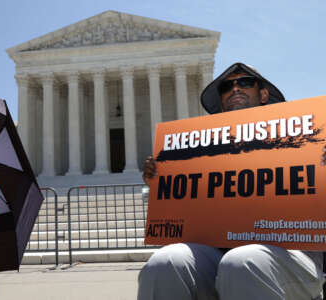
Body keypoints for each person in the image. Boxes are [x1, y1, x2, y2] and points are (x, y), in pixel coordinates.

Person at [138, 62, 326, 300]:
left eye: (245, 82)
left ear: (264, 94)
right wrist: (163, 180)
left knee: (242, 261)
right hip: (219, 255)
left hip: (292, 257)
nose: (235, 88)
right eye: (227, 86)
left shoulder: (308, 138)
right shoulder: (202, 153)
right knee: (165, 262)